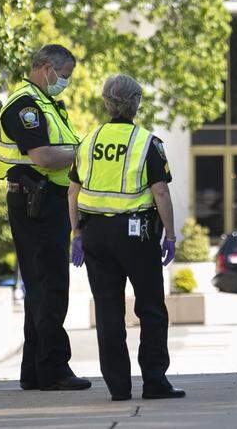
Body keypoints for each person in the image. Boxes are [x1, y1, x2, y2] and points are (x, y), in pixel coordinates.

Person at [67, 74, 184, 401]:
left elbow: (72, 190)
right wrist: (171, 235)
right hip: (137, 234)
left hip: (94, 235)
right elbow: (160, 191)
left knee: (107, 310)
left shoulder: (87, 140)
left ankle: (118, 387)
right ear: (136, 104)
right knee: (151, 308)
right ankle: (155, 381)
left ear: (106, 102)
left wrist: (76, 232)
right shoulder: (147, 143)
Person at [0, 44, 89, 391]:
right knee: (50, 288)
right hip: (37, 202)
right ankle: (53, 369)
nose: (64, 82)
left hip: (46, 201)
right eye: (63, 76)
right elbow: (46, 157)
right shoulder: (25, 106)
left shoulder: (44, 104)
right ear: (46, 67)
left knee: (41, 288)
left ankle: (34, 370)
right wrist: (83, 154)